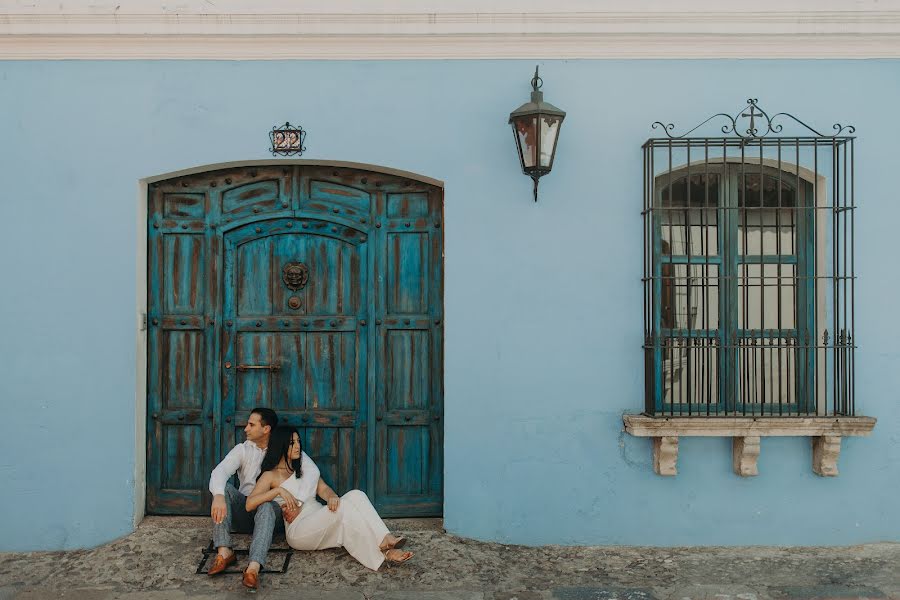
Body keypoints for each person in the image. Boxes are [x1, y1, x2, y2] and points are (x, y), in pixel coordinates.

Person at [246, 427, 412, 572]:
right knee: (344, 509)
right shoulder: (270, 475)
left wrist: (332, 496)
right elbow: (249, 504)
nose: (297, 446)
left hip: (317, 516)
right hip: (299, 529)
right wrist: (278, 490)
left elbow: (323, 488)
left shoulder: (303, 471)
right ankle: (384, 554)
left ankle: (385, 537)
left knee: (356, 495)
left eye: (298, 441)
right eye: (291, 443)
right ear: (280, 445)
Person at [207, 407, 282, 590]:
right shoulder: (242, 449)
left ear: (266, 429)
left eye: (251, 424)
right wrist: (218, 496)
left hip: (273, 515)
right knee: (223, 488)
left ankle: (253, 567)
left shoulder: (284, 448)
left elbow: (309, 474)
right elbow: (220, 471)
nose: (245, 429)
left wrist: (298, 504)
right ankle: (224, 551)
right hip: (246, 510)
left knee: (266, 506)